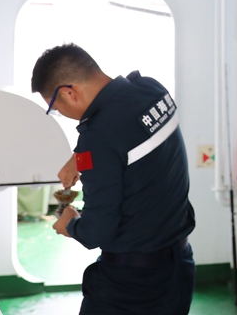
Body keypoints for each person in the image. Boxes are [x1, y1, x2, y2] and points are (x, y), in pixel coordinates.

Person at [33, 43, 196, 315]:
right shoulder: (152, 90)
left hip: (132, 285)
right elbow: (129, 134)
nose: (61, 114)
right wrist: (79, 157)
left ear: (69, 92)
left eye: (55, 108)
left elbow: (97, 231)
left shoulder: (97, 137)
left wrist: (69, 224)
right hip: (179, 264)